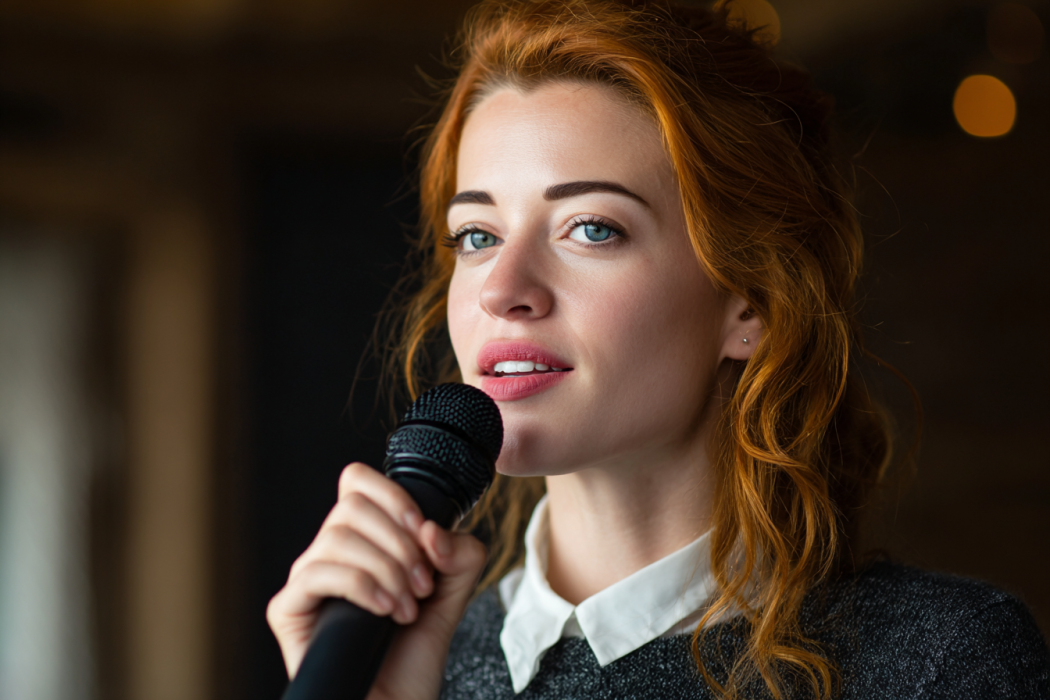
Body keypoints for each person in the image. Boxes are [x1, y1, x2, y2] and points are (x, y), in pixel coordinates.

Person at [266, 1, 1050, 698]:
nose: (503, 287)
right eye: (477, 235)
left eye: (592, 229)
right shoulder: (405, 656)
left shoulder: (941, 663)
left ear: (753, 301)